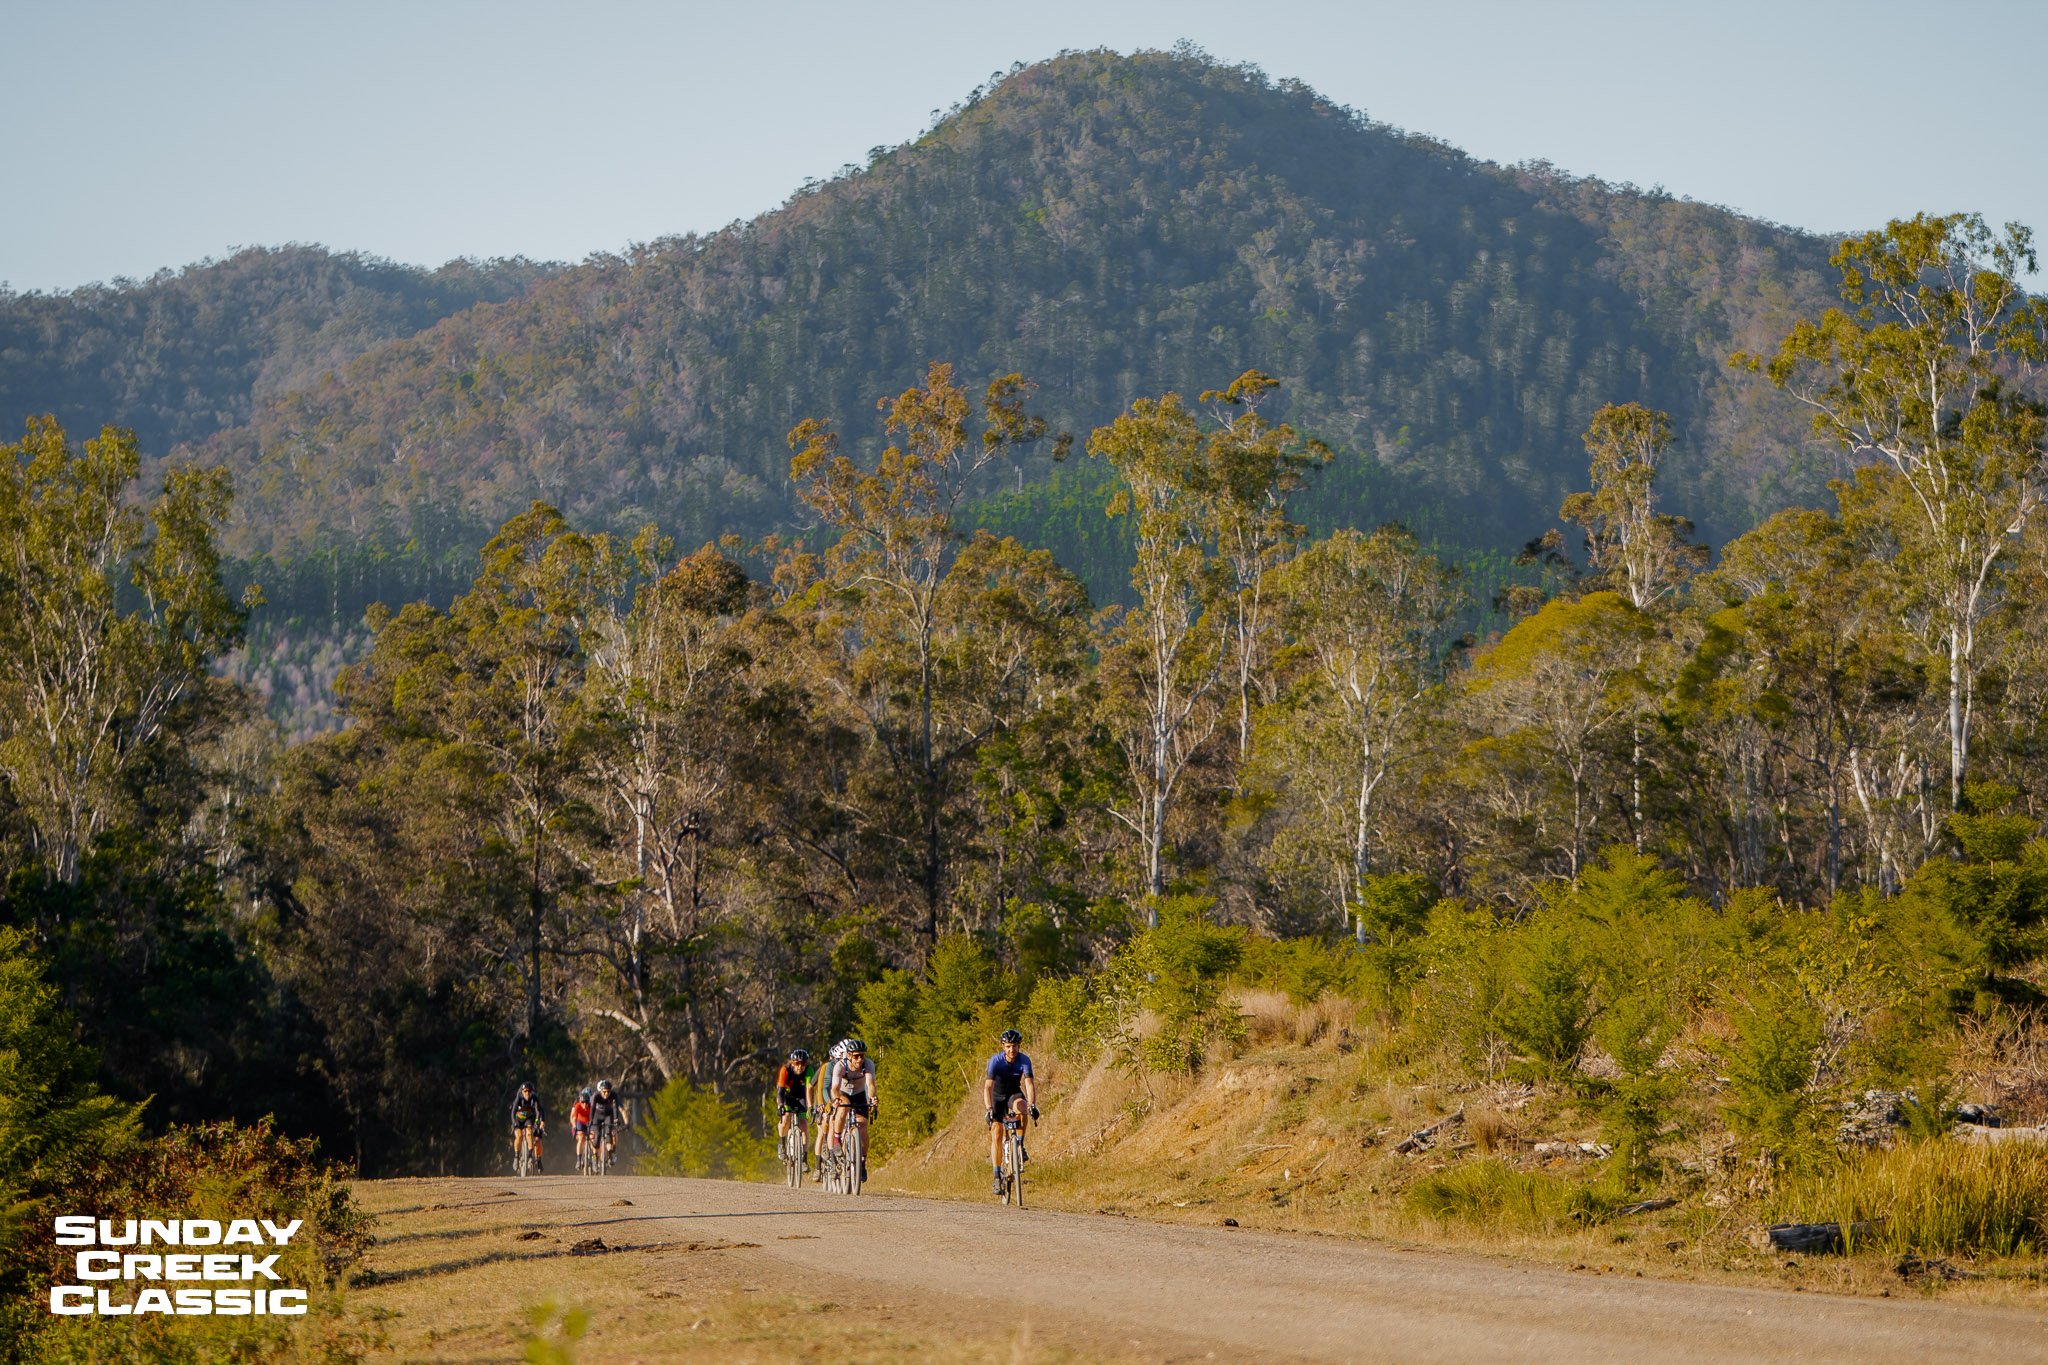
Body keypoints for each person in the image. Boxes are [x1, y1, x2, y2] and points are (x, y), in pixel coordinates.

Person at [983, 1029, 1038, 1195]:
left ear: (1019, 1046)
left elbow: (1029, 1084)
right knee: (997, 1133)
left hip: (1013, 1094)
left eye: (1014, 1046)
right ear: (1003, 1046)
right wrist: (989, 1109)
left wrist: (1032, 1105)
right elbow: (988, 1087)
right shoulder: (995, 1061)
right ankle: (996, 1177)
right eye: (1008, 1046)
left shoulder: (1024, 1060)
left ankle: (1019, 1144)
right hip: (997, 1097)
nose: (1011, 1050)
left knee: (1023, 1107)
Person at [827, 1039, 876, 1181]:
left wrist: (872, 1098)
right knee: (844, 1107)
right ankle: (837, 1139)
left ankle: (862, 1162)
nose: (860, 1059)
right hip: (843, 1093)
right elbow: (835, 1088)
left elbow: (870, 1084)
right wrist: (836, 1099)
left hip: (859, 1094)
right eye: (856, 1056)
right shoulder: (840, 1066)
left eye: (862, 1055)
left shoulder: (868, 1064)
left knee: (863, 1127)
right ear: (848, 1055)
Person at [775, 1048, 815, 1171]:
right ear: (792, 1063)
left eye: (803, 1064)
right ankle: (782, 1144)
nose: (800, 1067)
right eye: (797, 1064)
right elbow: (780, 1092)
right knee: (786, 1117)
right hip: (788, 1097)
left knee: (804, 1126)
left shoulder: (809, 1071)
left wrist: (810, 1108)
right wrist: (780, 1105)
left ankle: (803, 1159)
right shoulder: (785, 1070)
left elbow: (809, 1089)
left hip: (802, 1097)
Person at [589, 1079, 628, 1166]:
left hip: (608, 1116)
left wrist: (621, 1121)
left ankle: (610, 1156)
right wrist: (590, 1121)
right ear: (601, 1091)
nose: (606, 1094)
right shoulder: (596, 1096)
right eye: (604, 1092)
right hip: (597, 1117)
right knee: (597, 1138)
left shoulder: (614, 1095)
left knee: (609, 1135)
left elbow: (619, 1109)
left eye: (608, 1092)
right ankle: (595, 1157)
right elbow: (592, 1110)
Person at [510, 1082, 547, 1173]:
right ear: (522, 1091)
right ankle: (516, 1156)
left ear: (532, 1092)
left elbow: (539, 1111)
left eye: (529, 1091)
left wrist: (538, 1122)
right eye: (525, 1091)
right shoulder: (519, 1098)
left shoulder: (534, 1098)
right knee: (518, 1136)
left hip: (529, 1118)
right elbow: (513, 1112)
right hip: (519, 1119)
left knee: (530, 1133)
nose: (527, 1093)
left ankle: (531, 1156)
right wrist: (514, 1123)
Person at [570, 1088, 594, 1166]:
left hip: (590, 1122)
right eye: (583, 1102)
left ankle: (594, 1159)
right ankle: (579, 1160)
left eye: (588, 1100)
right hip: (580, 1122)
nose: (585, 1104)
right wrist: (574, 1127)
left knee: (593, 1138)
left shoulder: (593, 1103)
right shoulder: (577, 1102)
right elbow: (573, 1117)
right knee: (581, 1138)